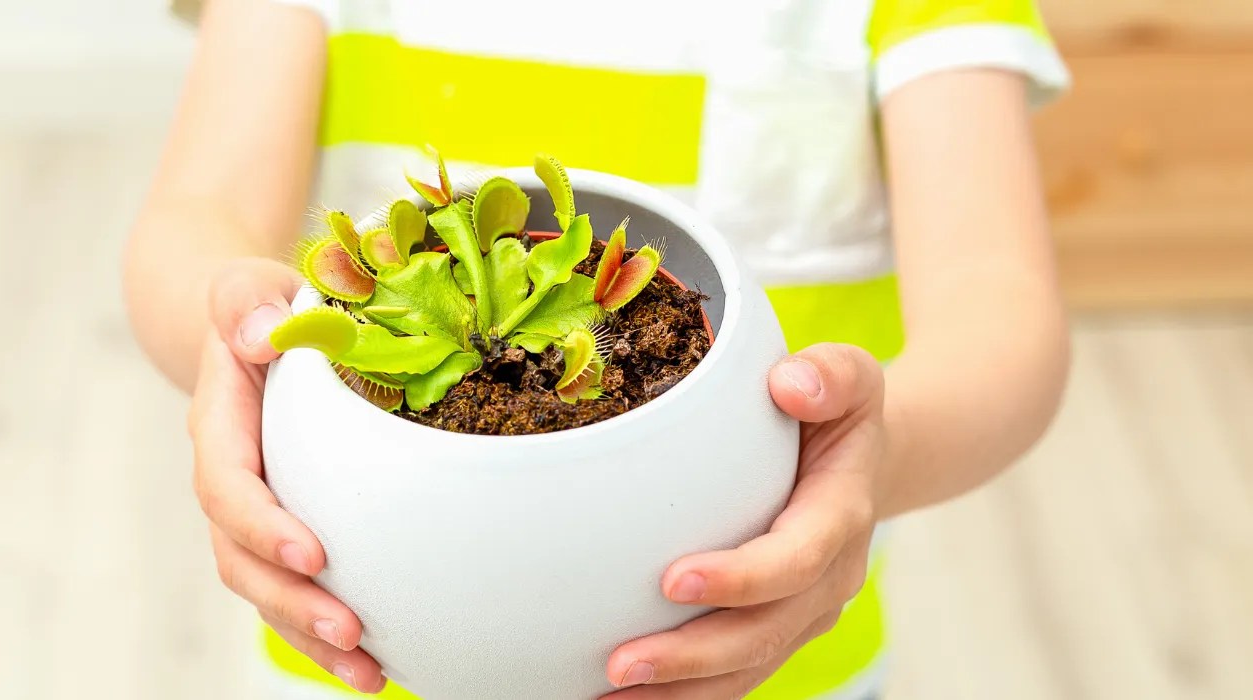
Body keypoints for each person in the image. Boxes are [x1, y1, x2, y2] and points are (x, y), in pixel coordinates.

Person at [123, 0, 1072, 697]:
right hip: (365, 652)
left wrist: (878, 451)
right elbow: (193, 224)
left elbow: (1002, 317)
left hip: (761, 660)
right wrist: (239, 340)